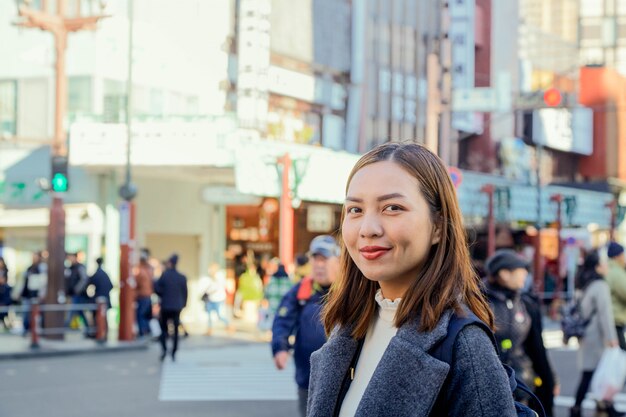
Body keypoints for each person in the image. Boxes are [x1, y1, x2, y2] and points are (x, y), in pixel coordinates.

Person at [308, 143, 516, 417]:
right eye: (355, 210)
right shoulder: (349, 328)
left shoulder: (464, 344)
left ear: (438, 227)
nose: (368, 229)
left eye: (392, 207)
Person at [484, 249, 559, 417]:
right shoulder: (479, 302)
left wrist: (550, 379)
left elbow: (537, 348)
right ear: (504, 273)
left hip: (524, 384)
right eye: (520, 269)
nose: (525, 274)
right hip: (489, 385)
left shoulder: (525, 303)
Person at [271, 235, 340, 417]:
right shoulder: (302, 290)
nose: (318, 265)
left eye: (324, 259)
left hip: (341, 377)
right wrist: (280, 347)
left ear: (339, 261)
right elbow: (283, 319)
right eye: (315, 259)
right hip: (306, 376)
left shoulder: (348, 292)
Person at [570, 251, 622, 417]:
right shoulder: (600, 286)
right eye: (604, 263)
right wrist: (612, 338)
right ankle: (581, 407)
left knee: (593, 372)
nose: (607, 266)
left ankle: (604, 405)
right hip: (597, 336)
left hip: (586, 333)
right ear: (598, 267)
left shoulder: (583, 283)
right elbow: (605, 315)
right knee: (597, 372)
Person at [154, 254, 188, 361]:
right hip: (177, 306)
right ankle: (174, 351)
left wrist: (162, 296)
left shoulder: (165, 275)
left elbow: (157, 288)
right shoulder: (181, 277)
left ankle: (164, 350)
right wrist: (183, 304)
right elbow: (185, 293)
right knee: (176, 330)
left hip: (166, 306)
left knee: (163, 329)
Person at [17, 252, 47, 335]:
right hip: (27, 294)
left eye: (36, 257)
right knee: (26, 313)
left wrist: (42, 293)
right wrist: (20, 292)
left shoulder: (41, 268)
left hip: (35, 295)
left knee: (36, 314)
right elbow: (24, 282)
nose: (34, 258)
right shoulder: (29, 268)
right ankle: (26, 329)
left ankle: (35, 331)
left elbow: (43, 282)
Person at [198, 263, 230, 335]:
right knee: (209, 315)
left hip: (218, 299)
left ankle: (228, 325)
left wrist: (210, 290)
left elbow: (217, 287)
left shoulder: (220, 276)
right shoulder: (209, 277)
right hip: (210, 299)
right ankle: (209, 329)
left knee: (219, 315)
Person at [605, 241, 626, 350]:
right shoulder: (616, 272)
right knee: (621, 352)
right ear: (618, 256)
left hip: (612, 318)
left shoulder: (610, 269)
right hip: (615, 319)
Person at [65, 252, 90, 333]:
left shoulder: (79, 267)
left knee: (73, 310)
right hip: (72, 294)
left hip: (79, 294)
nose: (69, 259)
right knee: (79, 311)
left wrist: (77, 289)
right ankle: (88, 329)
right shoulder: (70, 268)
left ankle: (65, 327)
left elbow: (84, 279)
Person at [135, 248, 154, 338]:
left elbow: (138, 283)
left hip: (142, 295)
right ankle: (146, 331)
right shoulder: (149, 270)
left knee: (141, 315)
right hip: (148, 295)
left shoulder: (140, 270)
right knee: (146, 315)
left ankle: (143, 332)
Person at [0, 258, 12, 330]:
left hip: (4, 292)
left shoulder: (5, 271)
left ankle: (5, 323)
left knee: (4, 309)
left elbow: (4, 281)